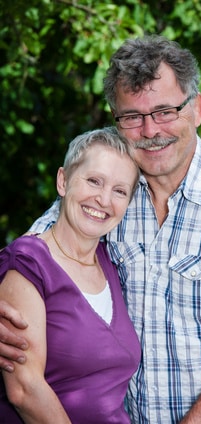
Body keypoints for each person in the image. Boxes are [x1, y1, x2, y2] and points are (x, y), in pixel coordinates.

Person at [0, 35, 201, 423]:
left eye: (165, 111)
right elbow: (36, 249)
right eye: (133, 117)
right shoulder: (112, 195)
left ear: (196, 108)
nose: (150, 131)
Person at [0, 126, 141, 423]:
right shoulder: (28, 262)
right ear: (63, 181)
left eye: (119, 191)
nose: (104, 199)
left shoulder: (110, 263)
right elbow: (25, 390)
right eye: (94, 181)